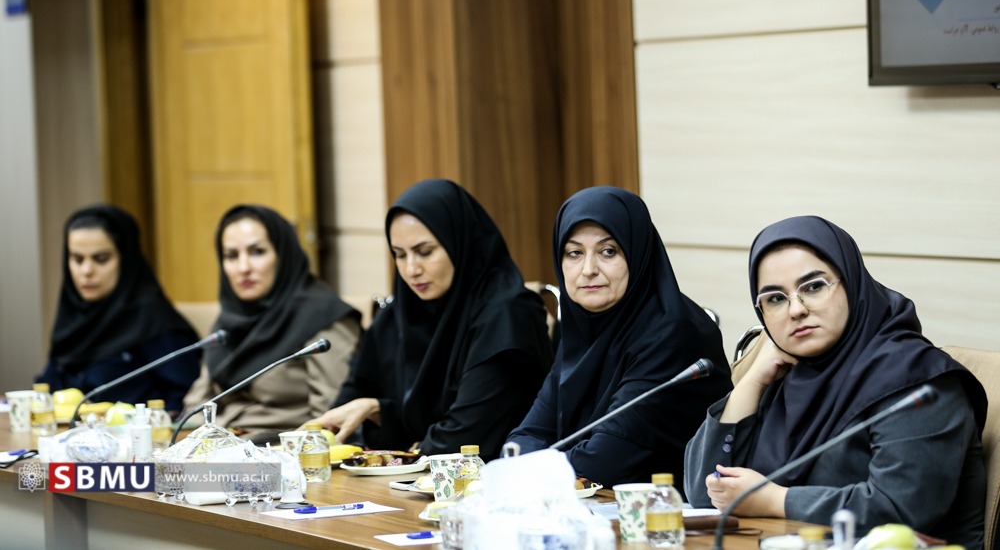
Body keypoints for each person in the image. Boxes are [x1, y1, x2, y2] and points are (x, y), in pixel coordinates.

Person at [684, 216, 987, 549]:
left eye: (813, 287)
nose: (795, 310)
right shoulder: (787, 374)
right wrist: (752, 381)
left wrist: (774, 500)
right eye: (775, 299)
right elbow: (704, 494)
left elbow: (901, 511)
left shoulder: (916, 380)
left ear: (851, 282)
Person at [307, 179, 553, 460]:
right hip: (414, 478)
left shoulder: (509, 315)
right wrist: (377, 411)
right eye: (400, 255)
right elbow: (347, 411)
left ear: (458, 242)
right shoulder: (398, 315)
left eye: (425, 252)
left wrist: (402, 448)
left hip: (494, 477)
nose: (411, 269)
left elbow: (465, 437)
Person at [505, 186, 732, 488]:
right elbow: (523, 438)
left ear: (637, 253)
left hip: (670, 508)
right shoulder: (584, 326)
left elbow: (605, 461)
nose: (588, 270)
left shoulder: (673, 333)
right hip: (601, 503)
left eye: (608, 251)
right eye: (574, 253)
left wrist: (529, 467)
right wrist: (529, 463)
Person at [182, 205, 361, 435]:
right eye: (232, 256)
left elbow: (332, 418)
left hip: (283, 448)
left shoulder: (322, 317)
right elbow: (195, 406)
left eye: (257, 252)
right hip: (223, 445)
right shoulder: (233, 318)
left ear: (282, 254)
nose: (243, 268)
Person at [36, 205, 200, 413]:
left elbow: (186, 400)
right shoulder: (72, 317)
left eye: (101, 259)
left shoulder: (153, 319)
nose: (86, 271)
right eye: (77, 259)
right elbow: (46, 388)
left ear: (126, 259)